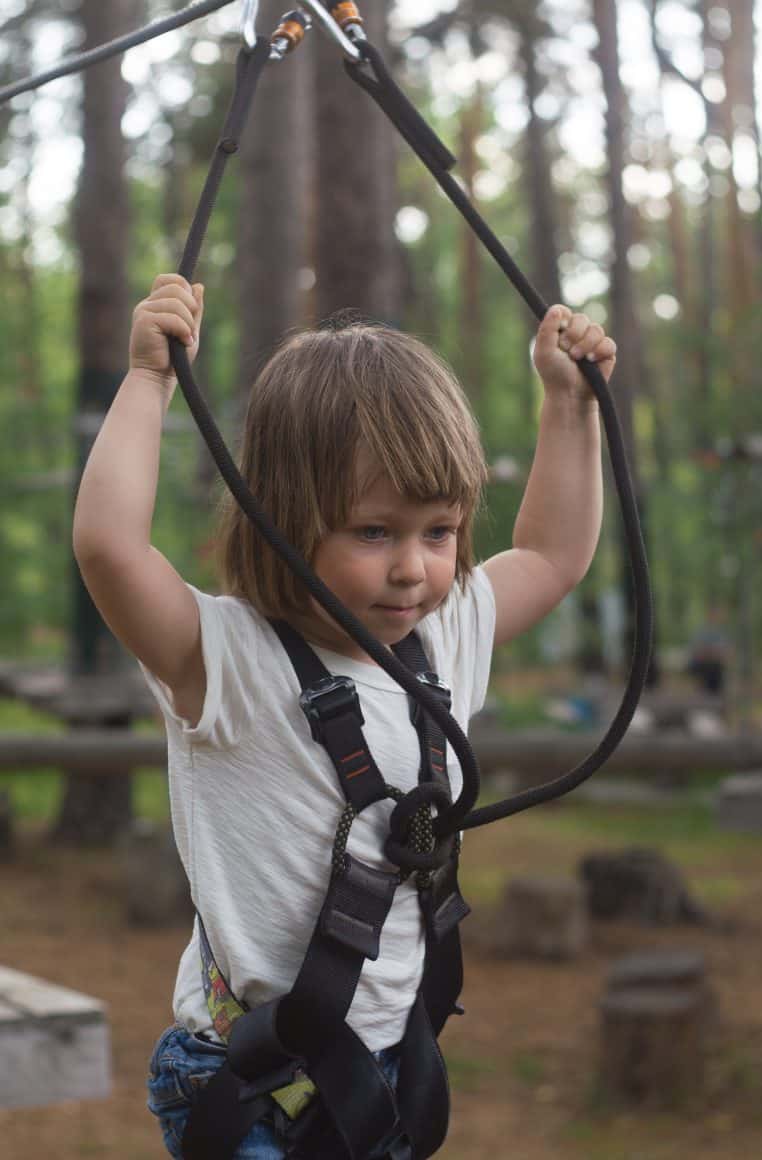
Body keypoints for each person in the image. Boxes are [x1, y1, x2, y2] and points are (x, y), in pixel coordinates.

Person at [72, 273, 616, 1159]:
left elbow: (553, 554)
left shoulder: (445, 637)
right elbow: (108, 548)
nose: (414, 569)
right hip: (251, 1085)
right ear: (280, 518)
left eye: (439, 532)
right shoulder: (224, 659)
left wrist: (568, 404)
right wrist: (148, 381)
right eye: (375, 532)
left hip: (391, 1070)